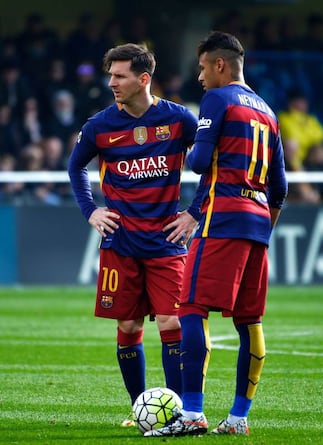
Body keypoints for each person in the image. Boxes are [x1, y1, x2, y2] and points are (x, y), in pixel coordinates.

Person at [145, 30, 288, 437]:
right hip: (258, 222)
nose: (200, 75)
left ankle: (191, 414)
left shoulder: (218, 99)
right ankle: (239, 418)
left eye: (204, 66)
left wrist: (187, 149)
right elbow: (281, 189)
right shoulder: (268, 111)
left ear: (220, 64)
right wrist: (259, 228)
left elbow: (199, 162)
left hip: (221, 217)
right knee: (251, 322)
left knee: (191, 307)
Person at [67, 43, 203, 426]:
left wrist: (194, 213)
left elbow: (211, 166)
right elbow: (75, 167)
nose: (111, 82)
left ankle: (177, 410)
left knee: (171, 323)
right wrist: (91, 210)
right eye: (110, 74)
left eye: (119, 75)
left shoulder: (179, 119)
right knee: (127, 326)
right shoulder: (99, 126)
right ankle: (138, 408)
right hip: (120, 242)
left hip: (166, 241)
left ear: (143, 78)